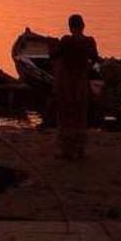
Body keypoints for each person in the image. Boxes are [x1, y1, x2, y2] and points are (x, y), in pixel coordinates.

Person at [50, 14, 100, 160]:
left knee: (66, 116)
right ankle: (79, 150)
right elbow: (95, 58)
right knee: (80, 116)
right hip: (81, 83)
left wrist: (52, 47)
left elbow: (53, 55)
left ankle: (67, 150)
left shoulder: (66, 41)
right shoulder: (89, 42)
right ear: (83, 26)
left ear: (70, 27)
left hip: (67, 83)